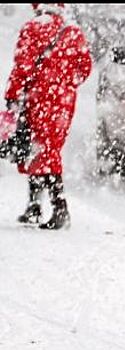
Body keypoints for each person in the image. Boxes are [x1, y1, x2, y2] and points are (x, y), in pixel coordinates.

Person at [1, 3, 92, 229]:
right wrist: (67, 84)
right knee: (44, 149)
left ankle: (59, 209)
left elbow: (22, 67)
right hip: (63, 101)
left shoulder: (33, 28)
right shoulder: (73, 31)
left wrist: (13, 96)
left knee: (44, 151)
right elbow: (85, 67)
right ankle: (35, 207)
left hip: (39, 99)